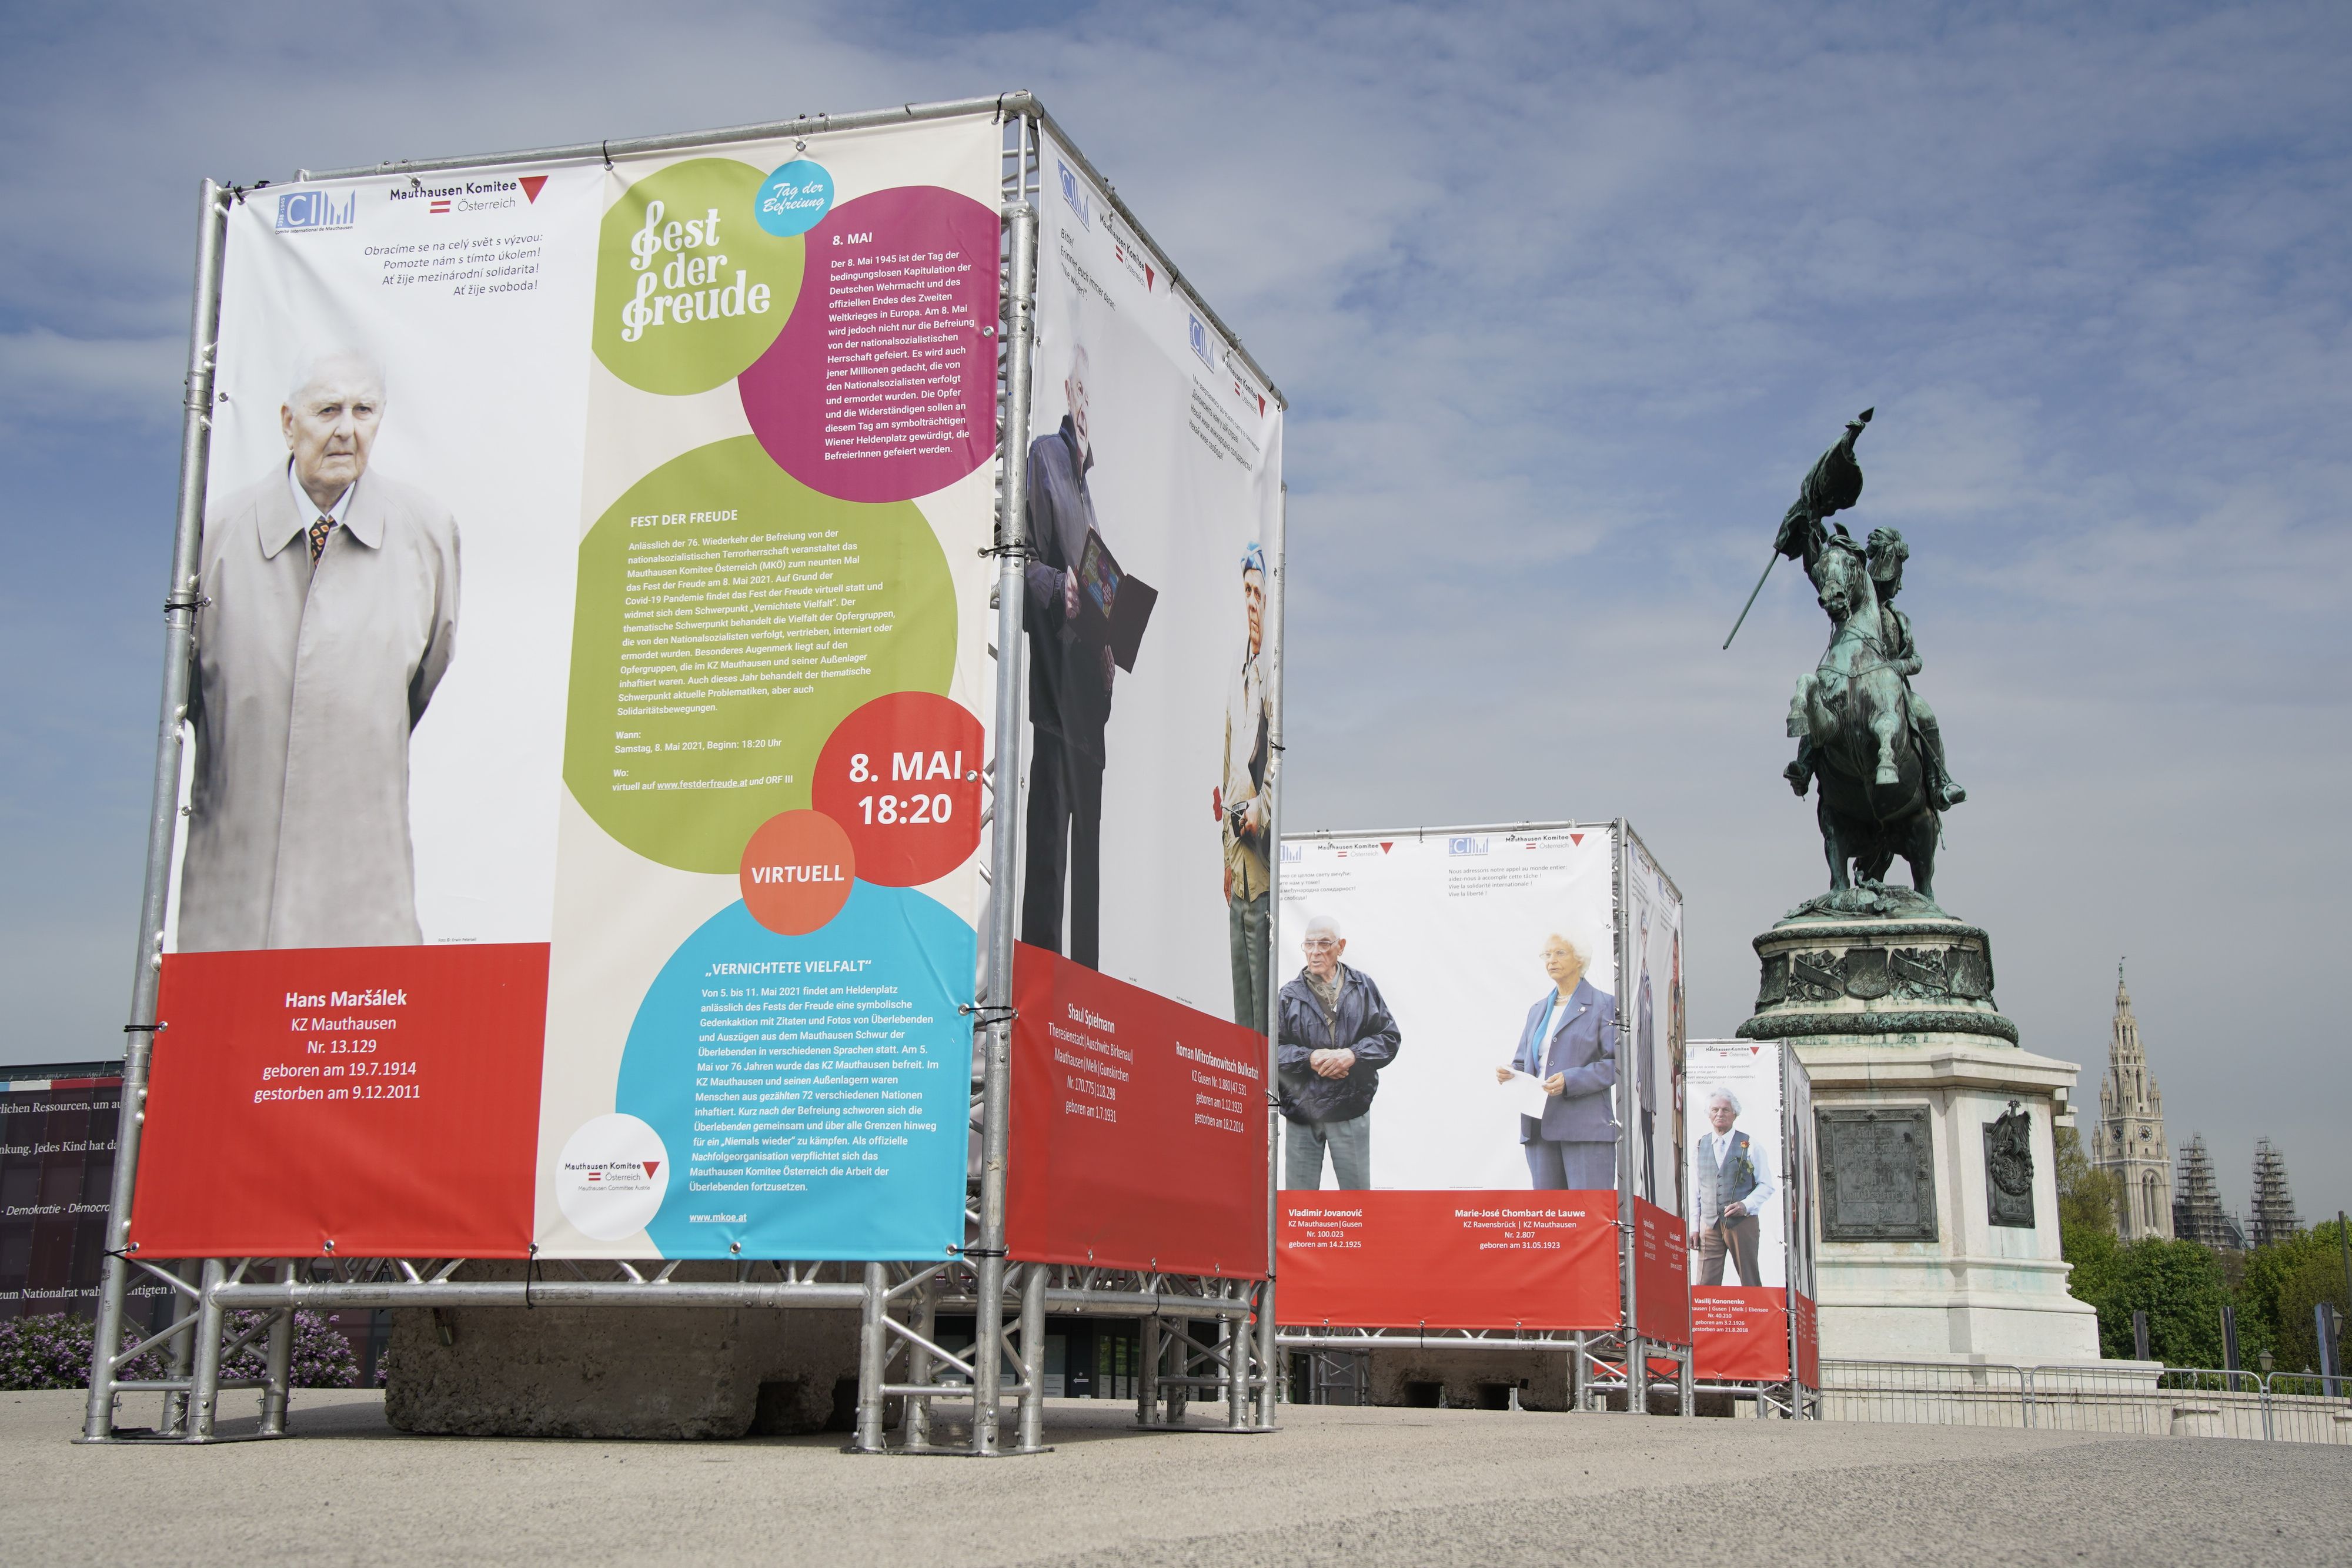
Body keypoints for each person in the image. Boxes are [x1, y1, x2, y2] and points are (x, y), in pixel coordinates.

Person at [179, 349, 459, 952]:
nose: (346, 430)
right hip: (236, 874)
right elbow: (190, 691)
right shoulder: (213, 532)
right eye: (328, 410)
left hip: (362, 873)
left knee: (358, 1023)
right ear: (288, 421)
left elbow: (427, 673)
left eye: (364, 410)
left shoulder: (428, 531)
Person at [1020, 345, 1114, 969]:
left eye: (1091, 398)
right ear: (1067, 395)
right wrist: (1062, 589)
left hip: (1091, 698)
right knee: (1049, 845)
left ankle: (1086, 984)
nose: (1083, 406)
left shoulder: (1089, 486)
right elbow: (1015, 562)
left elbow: (1096, 584)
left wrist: (1110, 632)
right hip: (1055, 694)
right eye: (1077, 393)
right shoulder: (1045, 460)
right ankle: (1041, 979)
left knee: (1089, 858)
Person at [1785, 526, 1965, 811]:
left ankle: (1938, 782)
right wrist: (1809, 527)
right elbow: (1819, 572)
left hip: (1889, 691)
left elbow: (1916, 660)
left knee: (1925, 713)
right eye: (1898, 577)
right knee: (1822, 701)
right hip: (1850, 682)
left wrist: (1893, 666)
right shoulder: (1853, 608)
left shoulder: (1899, 619)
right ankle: (1804, 766)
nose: (1900, 585)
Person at [1277, 915, 1399, 1190]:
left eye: (1324, 943)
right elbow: (1271, 1051)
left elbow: (1389, 1038)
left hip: (1350, 1107)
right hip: (1303, 1111)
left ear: (1340, 946)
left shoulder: (1362, 987)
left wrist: (1353, 1055)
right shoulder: (1288, 996)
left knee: (1358, 1205)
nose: (1316, 951)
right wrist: (1309, 1058)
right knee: (1300, 1207)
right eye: (1309, 944)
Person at [1494, 932, 1618, 1190]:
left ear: (1580, 960)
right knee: (1550, 1218)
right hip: (1539, 1127)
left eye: (1560, 953)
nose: (1552, 960)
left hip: (1584, 1127)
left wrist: (1570, 1080)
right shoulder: (1538, 1009)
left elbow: (1616, 1065)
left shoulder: (1604, 1005)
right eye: (1547, 955)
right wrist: (1511, 1072)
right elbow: (1524, 1061)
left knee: (1585, 1218)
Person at [1218, 544, 1272, 1029]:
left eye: (1258, 593)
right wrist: (1224, 858)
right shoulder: (1238, 674)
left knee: (1260, 994)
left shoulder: (1272, 677)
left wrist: (1263, 809)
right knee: (1239, 995)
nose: (1252, 602)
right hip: (1236, 854)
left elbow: (1276, 761)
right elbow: (1226, 764)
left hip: (1262, 855)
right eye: (1247, 593)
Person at [1692, 1088, 1777, 1287]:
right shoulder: (1699, 1145)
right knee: (1705, 1284)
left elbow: (1766, 1185)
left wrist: (1746, 1205)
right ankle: (1707, 1319)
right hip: (1709, 1224)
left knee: (1750, 1280)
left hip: (1742, 1223)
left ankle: (1754, 1317)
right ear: (1708, 1114)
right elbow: (1696, 1190)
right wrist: (1694, 1227)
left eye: (1725, 1110)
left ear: (1735, 1114)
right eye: (1715, 1110)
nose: (1720, 1114)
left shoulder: (1751, 1145)